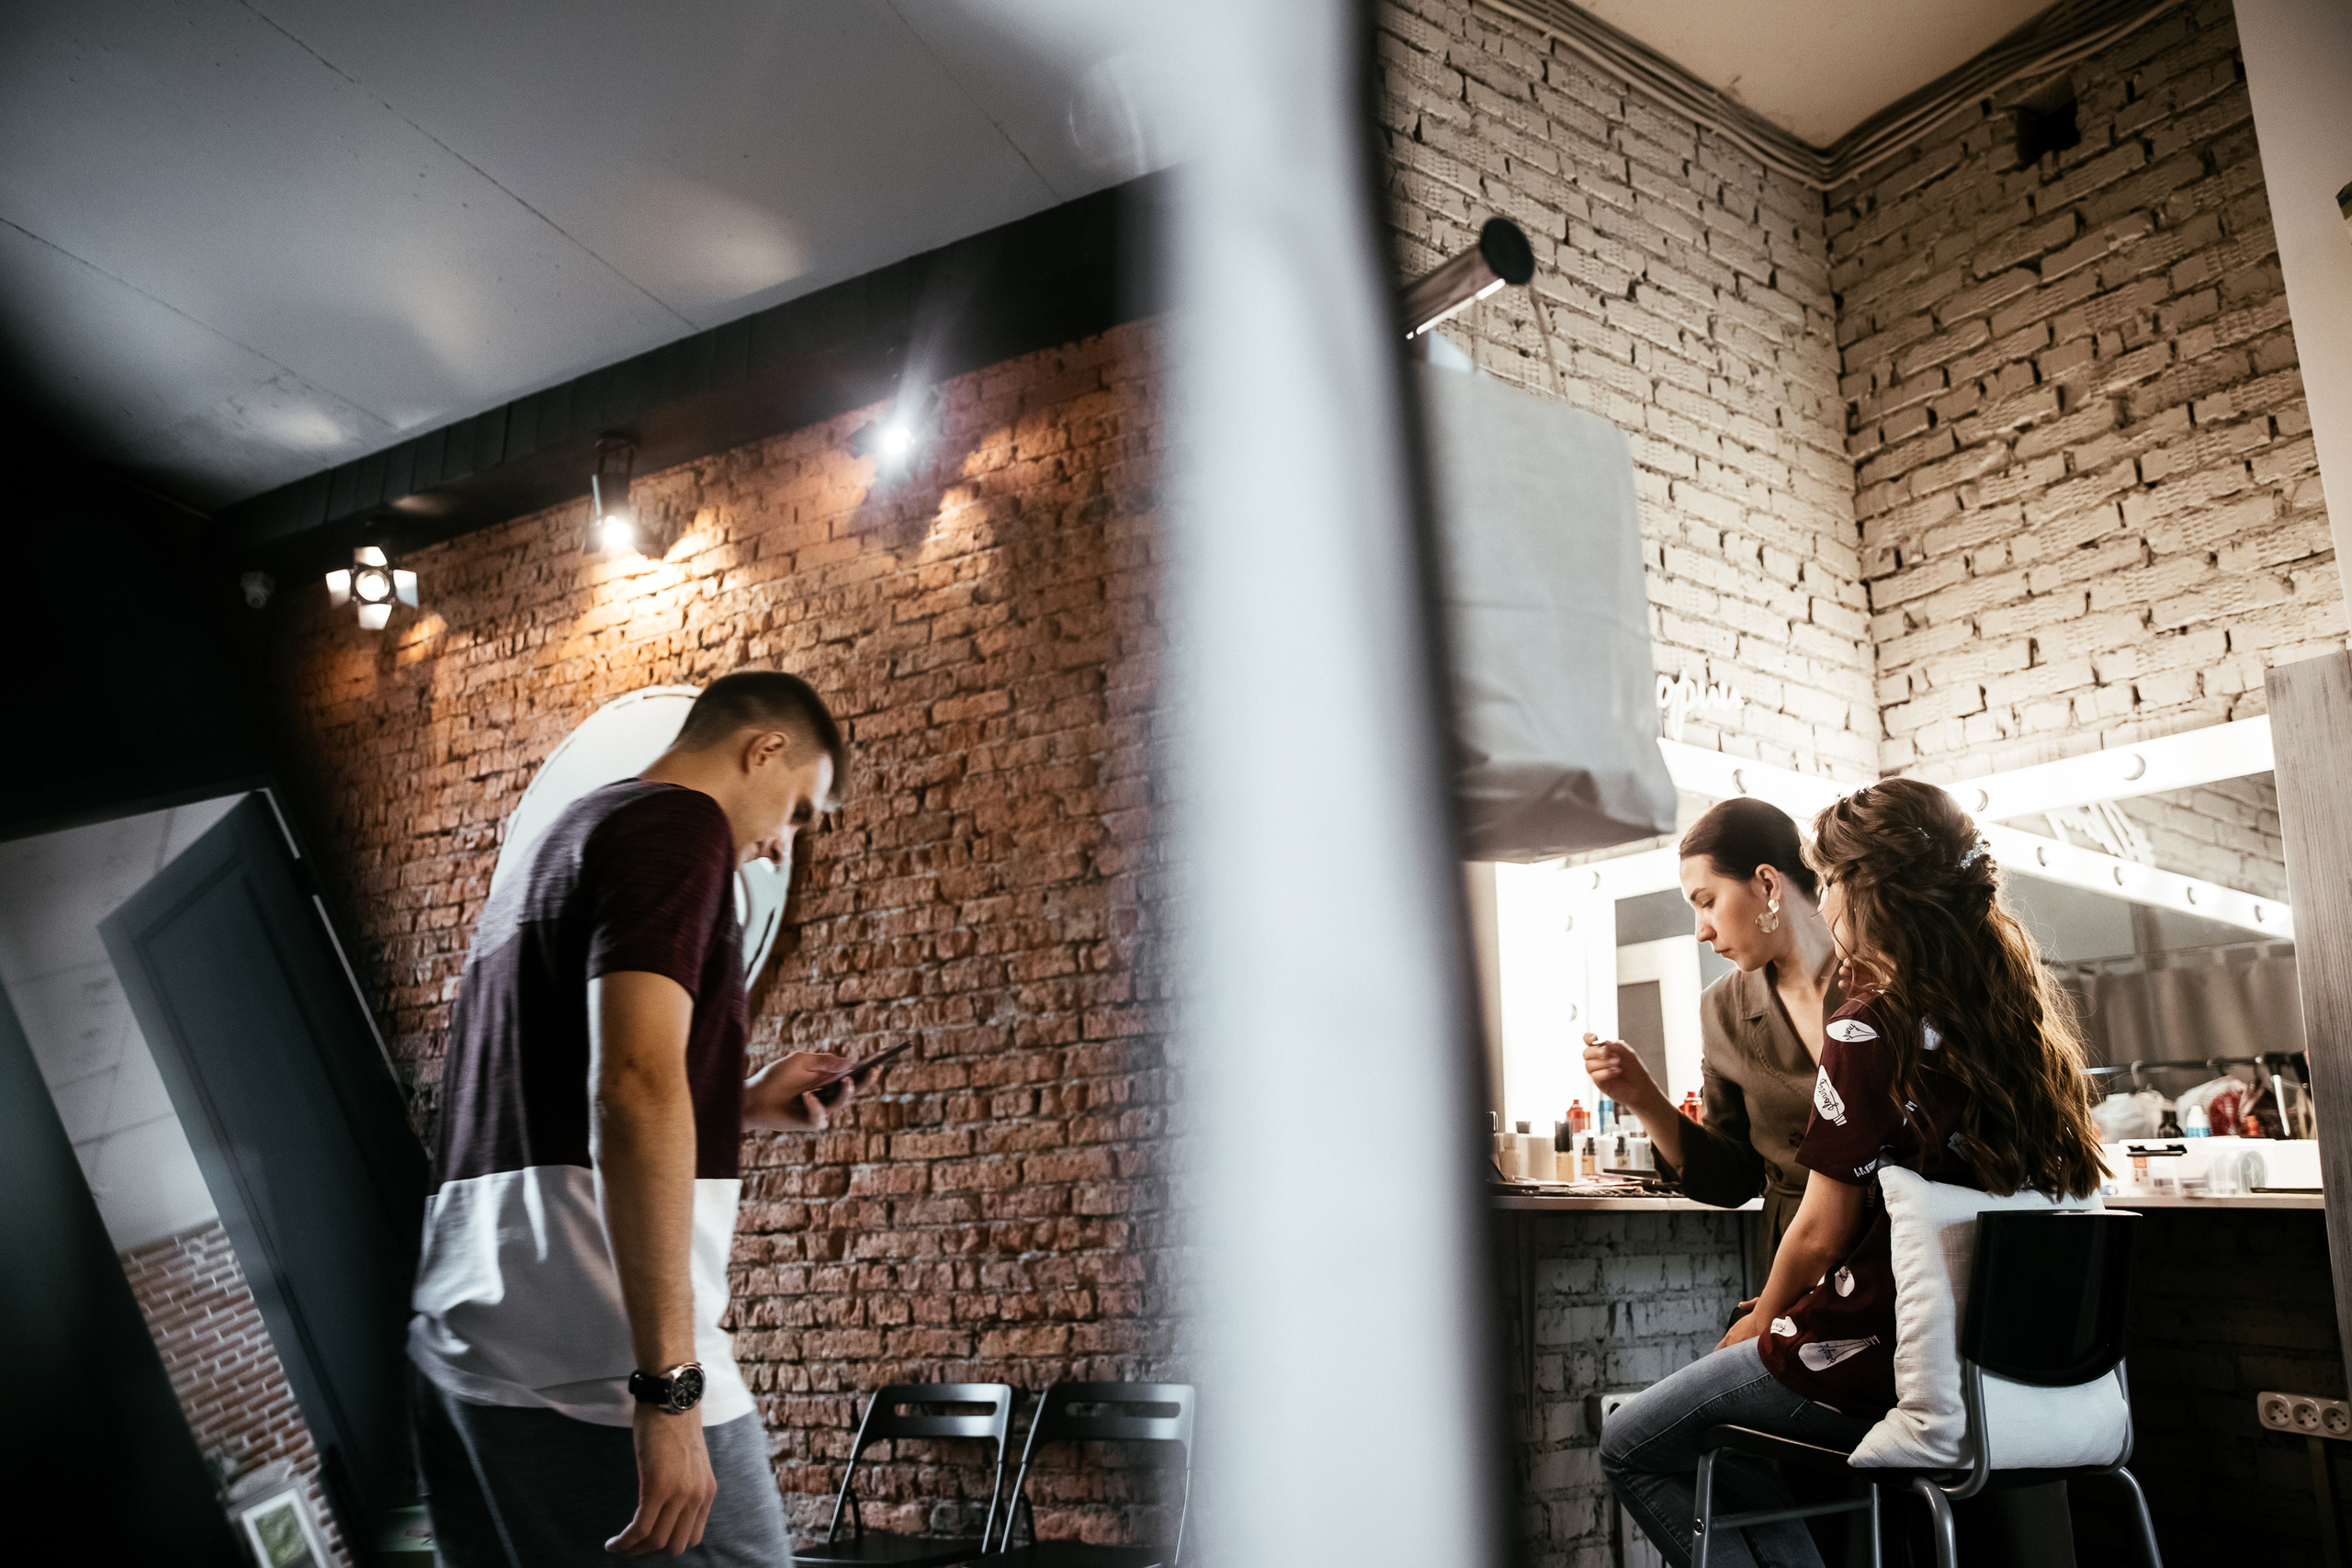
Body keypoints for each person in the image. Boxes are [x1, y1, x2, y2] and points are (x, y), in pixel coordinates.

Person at [408, 671, 858, 1564]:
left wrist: (742, 1101)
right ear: (762, 748)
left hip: (466, 1345)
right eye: (799, 810)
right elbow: (631, 1083)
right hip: (596, 1358)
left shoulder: (560, 839)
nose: (778, 845)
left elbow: (555, 1088)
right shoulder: (679, 824)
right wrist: (669, 1395)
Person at [1600, 778, 2107, 1568]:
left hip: (1882, 1331)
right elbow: (1740, 1171)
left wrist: (1764, 1317)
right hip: (2009, 1342)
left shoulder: (1870, 1019)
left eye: (1831, 882)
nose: (1700, 929)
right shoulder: (2019, 1016)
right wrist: (1645, 1099)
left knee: (1634, 1440)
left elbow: (1822, 1225)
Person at [1583, 797, 1844, 1279]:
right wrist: (1641, 1096)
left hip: (1904, 1255)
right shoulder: (1722, 1009)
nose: (1701, 931)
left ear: (1767, 884)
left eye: (1707, 901)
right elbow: (1733, 1178)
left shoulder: (1884, 975)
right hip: (1797, 1278)